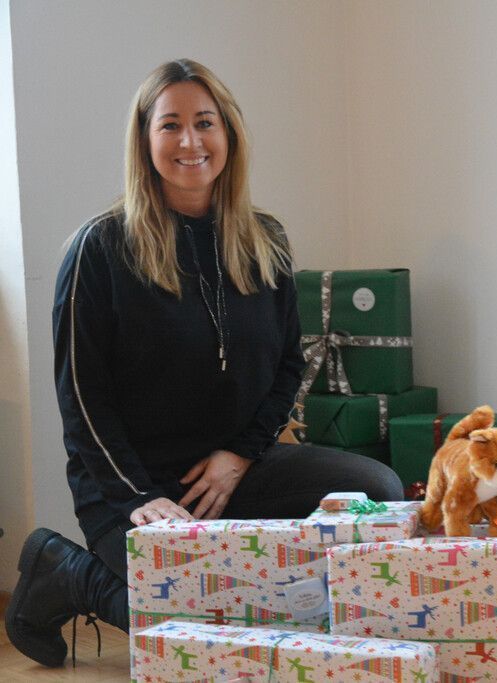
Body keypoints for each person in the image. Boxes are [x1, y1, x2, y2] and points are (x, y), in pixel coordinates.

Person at [4, 58, 403, 668]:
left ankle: (236, 574)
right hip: (134, 485)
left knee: (375, 490)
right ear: (144, 141)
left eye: (204, 122)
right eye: (170, 126)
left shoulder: (264, 239)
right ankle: (65, 571)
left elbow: (288, 366)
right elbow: (81, 395)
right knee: (201, 618)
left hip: (232, 471)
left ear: (229, 134)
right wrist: (135, 491)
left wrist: (240, 455)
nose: (189, 141)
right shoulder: (102, 247)